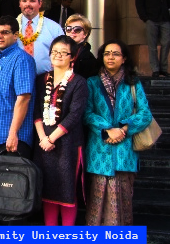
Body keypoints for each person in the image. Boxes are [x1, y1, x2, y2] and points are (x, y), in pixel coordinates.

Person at [84, 39, 152, 225]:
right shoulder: (92, 83)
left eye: (115, 53)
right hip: (100, 149)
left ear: (124, 59)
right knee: (97, 206)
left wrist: (123, 128)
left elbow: (145, 113)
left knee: (123, 202)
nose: (110, 57)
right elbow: (87, 113)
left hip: (125, 151)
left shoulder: (133, 83)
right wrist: (107, 129)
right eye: (107, 53)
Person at [33, 35, 88, 226]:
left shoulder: (79, 82)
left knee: (66, 190)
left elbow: (75, 115)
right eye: (54, 51)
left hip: (68, 145)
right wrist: (42, 138)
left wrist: (52, 138)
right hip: (43, 143)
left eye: (63, 53)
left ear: (72, 57)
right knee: (47, 190)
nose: (58, 55)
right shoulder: (41, 80)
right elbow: (36, 110)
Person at [0, 16, 36, 159]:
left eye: (5, 32)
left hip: (13, 139)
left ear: (16, 35)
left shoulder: (22, 59)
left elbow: (24, 98)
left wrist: (13, 133)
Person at [17, 0, 64, 75]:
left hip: (45, 80)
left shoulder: (54, 28)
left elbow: (63, 55)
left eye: (32, 1)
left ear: (40, 3)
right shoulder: (11, 27)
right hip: (17, 78)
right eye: (24, 1)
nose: (28, 4)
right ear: (20, 3)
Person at [135, 0, 170, 77]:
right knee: (152, 45)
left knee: (166, 43)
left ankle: (163, 69)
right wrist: (145, 17)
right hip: (151, 18)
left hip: (165, 18)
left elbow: (168, 0)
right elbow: (139, 3)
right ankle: (155, 69)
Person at [65, 14, 98, 79]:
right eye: (69, 29)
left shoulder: (90, 59)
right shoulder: (58, 52)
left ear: (85, 34)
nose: (72, 32)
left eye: (77, 29)